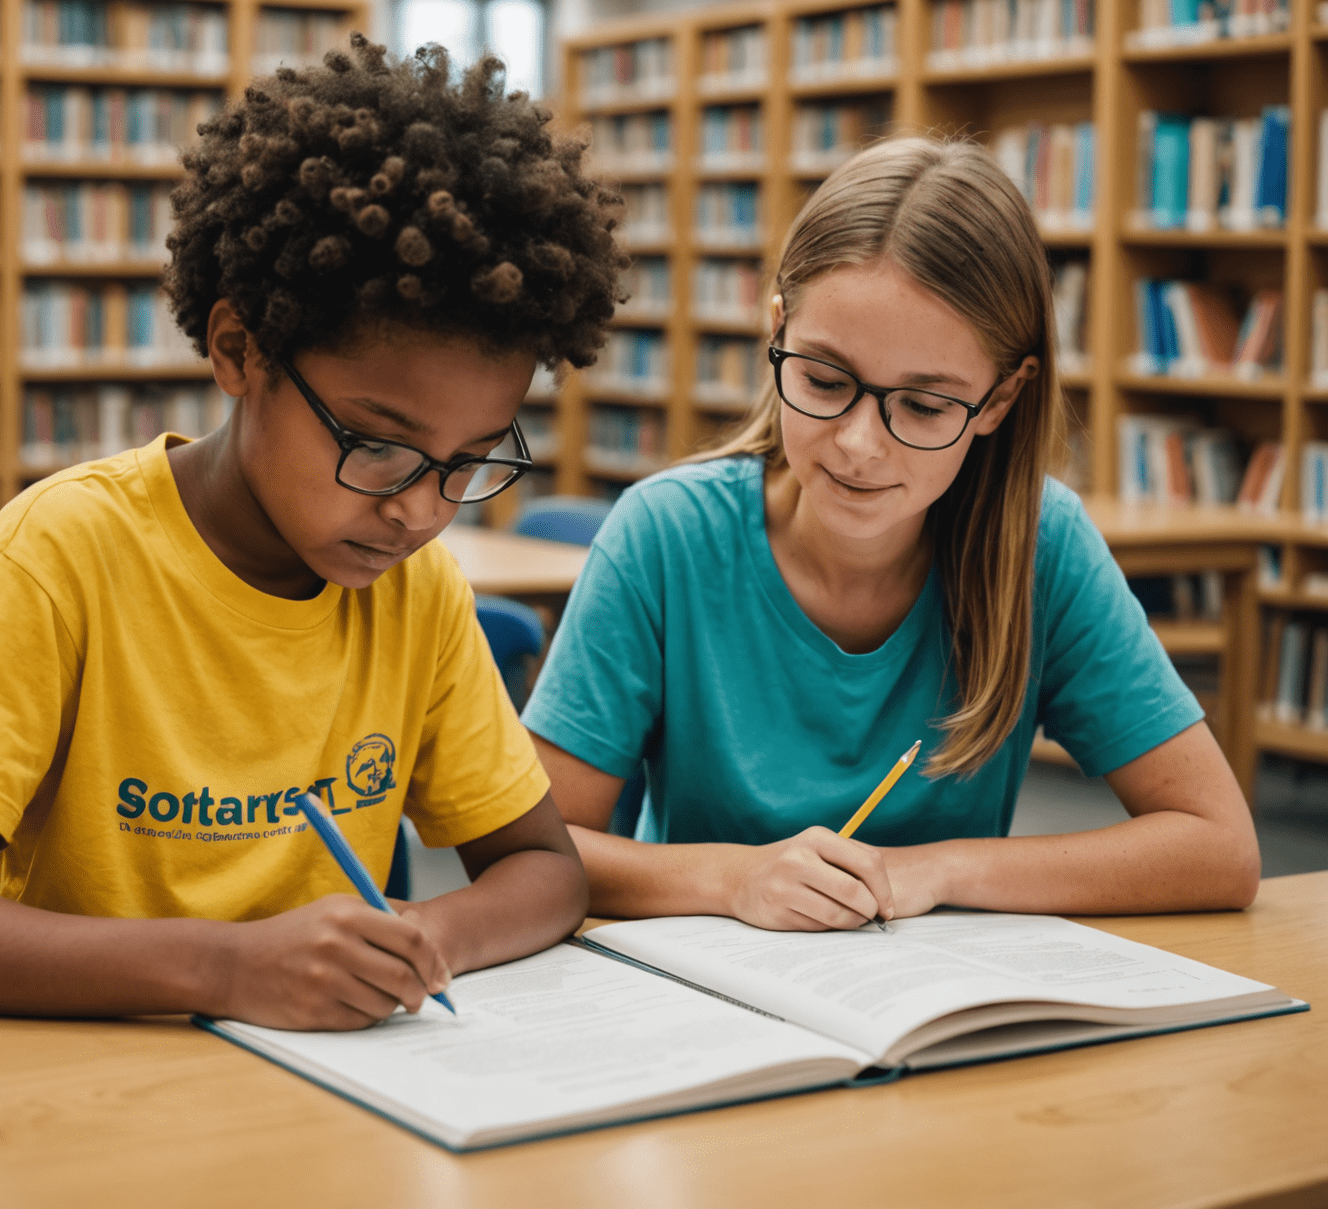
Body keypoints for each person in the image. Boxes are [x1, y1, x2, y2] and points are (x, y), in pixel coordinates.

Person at [0, 38, 625, 1028]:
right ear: (238, 350)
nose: (420, 510)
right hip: (56, 1096)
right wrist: (227, 969)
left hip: (298, 1089)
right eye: (379, 446)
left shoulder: (412, 591)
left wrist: (427, 941)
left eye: (468, 462)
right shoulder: (64, 555)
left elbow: (542, 871)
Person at [524, 135, 1260, 931]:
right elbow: (536, 851)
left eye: (926, 406)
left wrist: (933, 871)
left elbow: (1219, 848)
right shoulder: (665, 536)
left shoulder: (1041, 548)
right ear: (776, 331)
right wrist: (733, 880)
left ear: (1002, 400)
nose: (859, 445)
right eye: (824, 380)